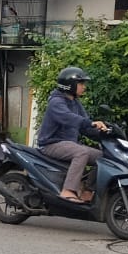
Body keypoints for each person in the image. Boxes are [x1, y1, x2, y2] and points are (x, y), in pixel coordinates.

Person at [36, 65, 109, 202]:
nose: (84, 87)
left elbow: (84, 127)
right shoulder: (56, 102)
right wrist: (91, 123)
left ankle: (87, 191)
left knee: (104, 157)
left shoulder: (75, 102)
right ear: (70, 85)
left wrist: (103, 134)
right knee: (81, 153)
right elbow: (69, 118)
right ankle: (68, 191)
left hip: (69, 144)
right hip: (51, 144)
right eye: (81, 84)